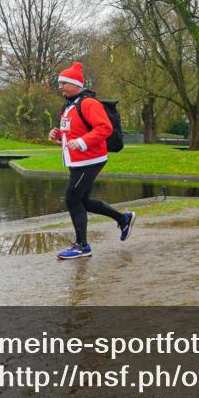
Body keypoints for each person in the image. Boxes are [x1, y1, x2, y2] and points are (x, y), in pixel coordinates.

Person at [48, 61, 135, 259]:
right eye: (59, 83)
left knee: (72, 199)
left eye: (64, 83)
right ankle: (123, 219)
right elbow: (72, 130)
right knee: (83, 201)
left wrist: (81, 142)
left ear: (76, 84)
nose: (60, 87)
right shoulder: (69, 106)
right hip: (77, 160)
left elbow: (105, 128)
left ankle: (82, 245)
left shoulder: (89, 103)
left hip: (90, 159)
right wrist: (57, 134)